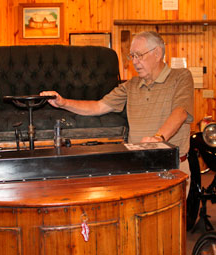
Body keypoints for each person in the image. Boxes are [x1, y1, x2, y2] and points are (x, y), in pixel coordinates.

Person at [40, 31, 194, 195]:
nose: (135, 62)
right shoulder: (131, 85)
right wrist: (63, 102)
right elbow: (98, 107)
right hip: (138, 168)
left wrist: (158, 139)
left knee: (171, 220)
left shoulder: (181, 77)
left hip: (171, 168)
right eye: (132, 56)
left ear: (157, 53)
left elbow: (180, 112)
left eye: (139, 55)